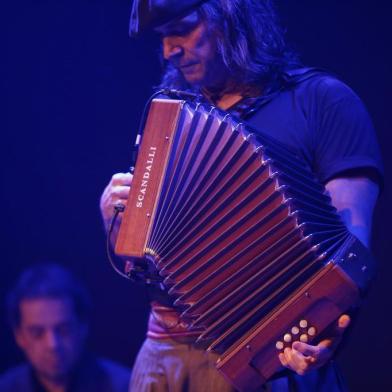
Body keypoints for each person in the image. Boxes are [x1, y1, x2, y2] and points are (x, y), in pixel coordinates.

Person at [99, 0, 383, 390]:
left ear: (232, 15)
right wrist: (116, 223)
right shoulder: (172, 115)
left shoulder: (322, 103)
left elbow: (351, 252)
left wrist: (327, 325)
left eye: (182, 29)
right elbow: (147, 263)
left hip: (268, 358)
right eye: (162, 38)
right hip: (164, 358)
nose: (169, 50)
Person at [0, 263, 131, 392]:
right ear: (19, 336)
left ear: (83, 326)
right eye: (37, 333)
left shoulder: (125, 387)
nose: (52, 344)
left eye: (63, 330)